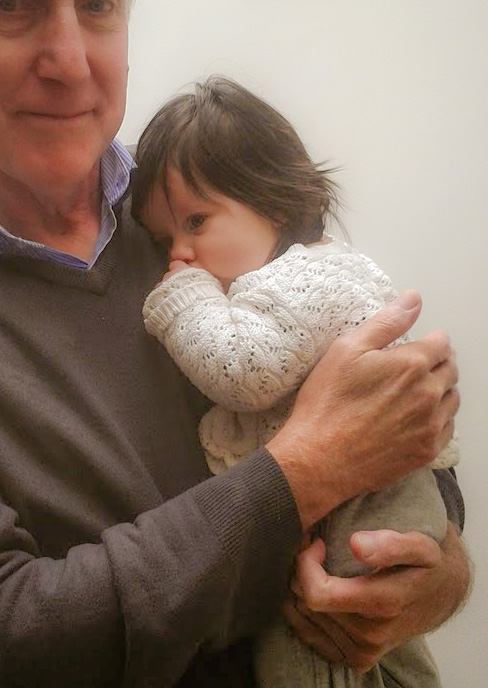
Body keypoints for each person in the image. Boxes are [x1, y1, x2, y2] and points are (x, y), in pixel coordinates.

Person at [0, 2, 468, 687]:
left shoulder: (190, 195)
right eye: (14, 7)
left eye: (97, 5)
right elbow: (17, 635)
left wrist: (436, 575)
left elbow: (405, 453)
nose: (70, 64)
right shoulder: (188, 230)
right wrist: (306, 473)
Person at [134, 76, 460, 688]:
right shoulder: (282, 278)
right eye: (162, 241)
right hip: (359, 505)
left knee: (311, 645)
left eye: (196, 222)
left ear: (275, 203)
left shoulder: (304, 279)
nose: (178, 255)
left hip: (367, 507)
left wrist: (183, 301)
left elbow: (245, 371)